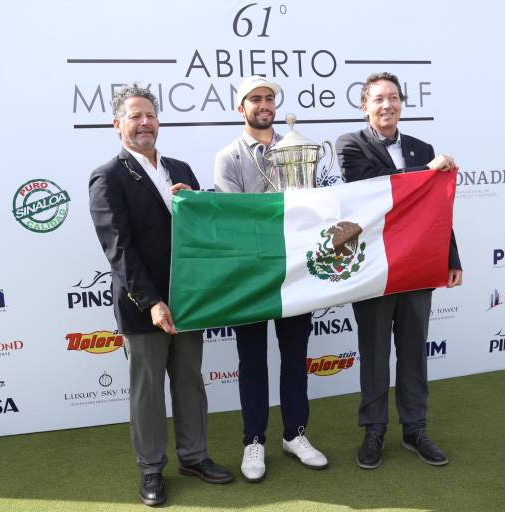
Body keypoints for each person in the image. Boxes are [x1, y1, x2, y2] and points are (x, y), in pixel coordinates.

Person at [89, 85, 233, 506]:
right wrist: (151, 301)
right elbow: (118, 248)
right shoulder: (108, 176)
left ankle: (194, 457)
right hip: (144, 305)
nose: (144, 122)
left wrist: (197, 201)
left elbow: (200, 232)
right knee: (147, 390)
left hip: (188, 299)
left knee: (189, 381)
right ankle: (151, 469)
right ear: (117, 125)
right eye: (134, 116)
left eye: (150, 115)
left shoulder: (178, 167)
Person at [336, 72, 463, 469]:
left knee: (413, 351)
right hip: (373, 269)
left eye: (393, 98)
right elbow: (370, 188)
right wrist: (425, 170)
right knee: (374, 353)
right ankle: (374, 431)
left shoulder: (421, 146)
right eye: (378, 99)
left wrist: (450, 258)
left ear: (401, 103)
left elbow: (436, 208)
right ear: (365, 106)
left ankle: (415, 430)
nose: (387, 105)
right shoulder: (350, 145)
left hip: (419, 266)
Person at [214, 75, 328, 482]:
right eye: (255, 99)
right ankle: (254, 441)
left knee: (296, 357)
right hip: (250, 276)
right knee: (252, 361)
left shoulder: (295, 149)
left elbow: (312, 209)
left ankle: (295, 434)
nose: (264, 105)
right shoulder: (228, 157)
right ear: (240, 107)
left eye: (269, 99)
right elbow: (235, 219)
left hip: (296, 272)